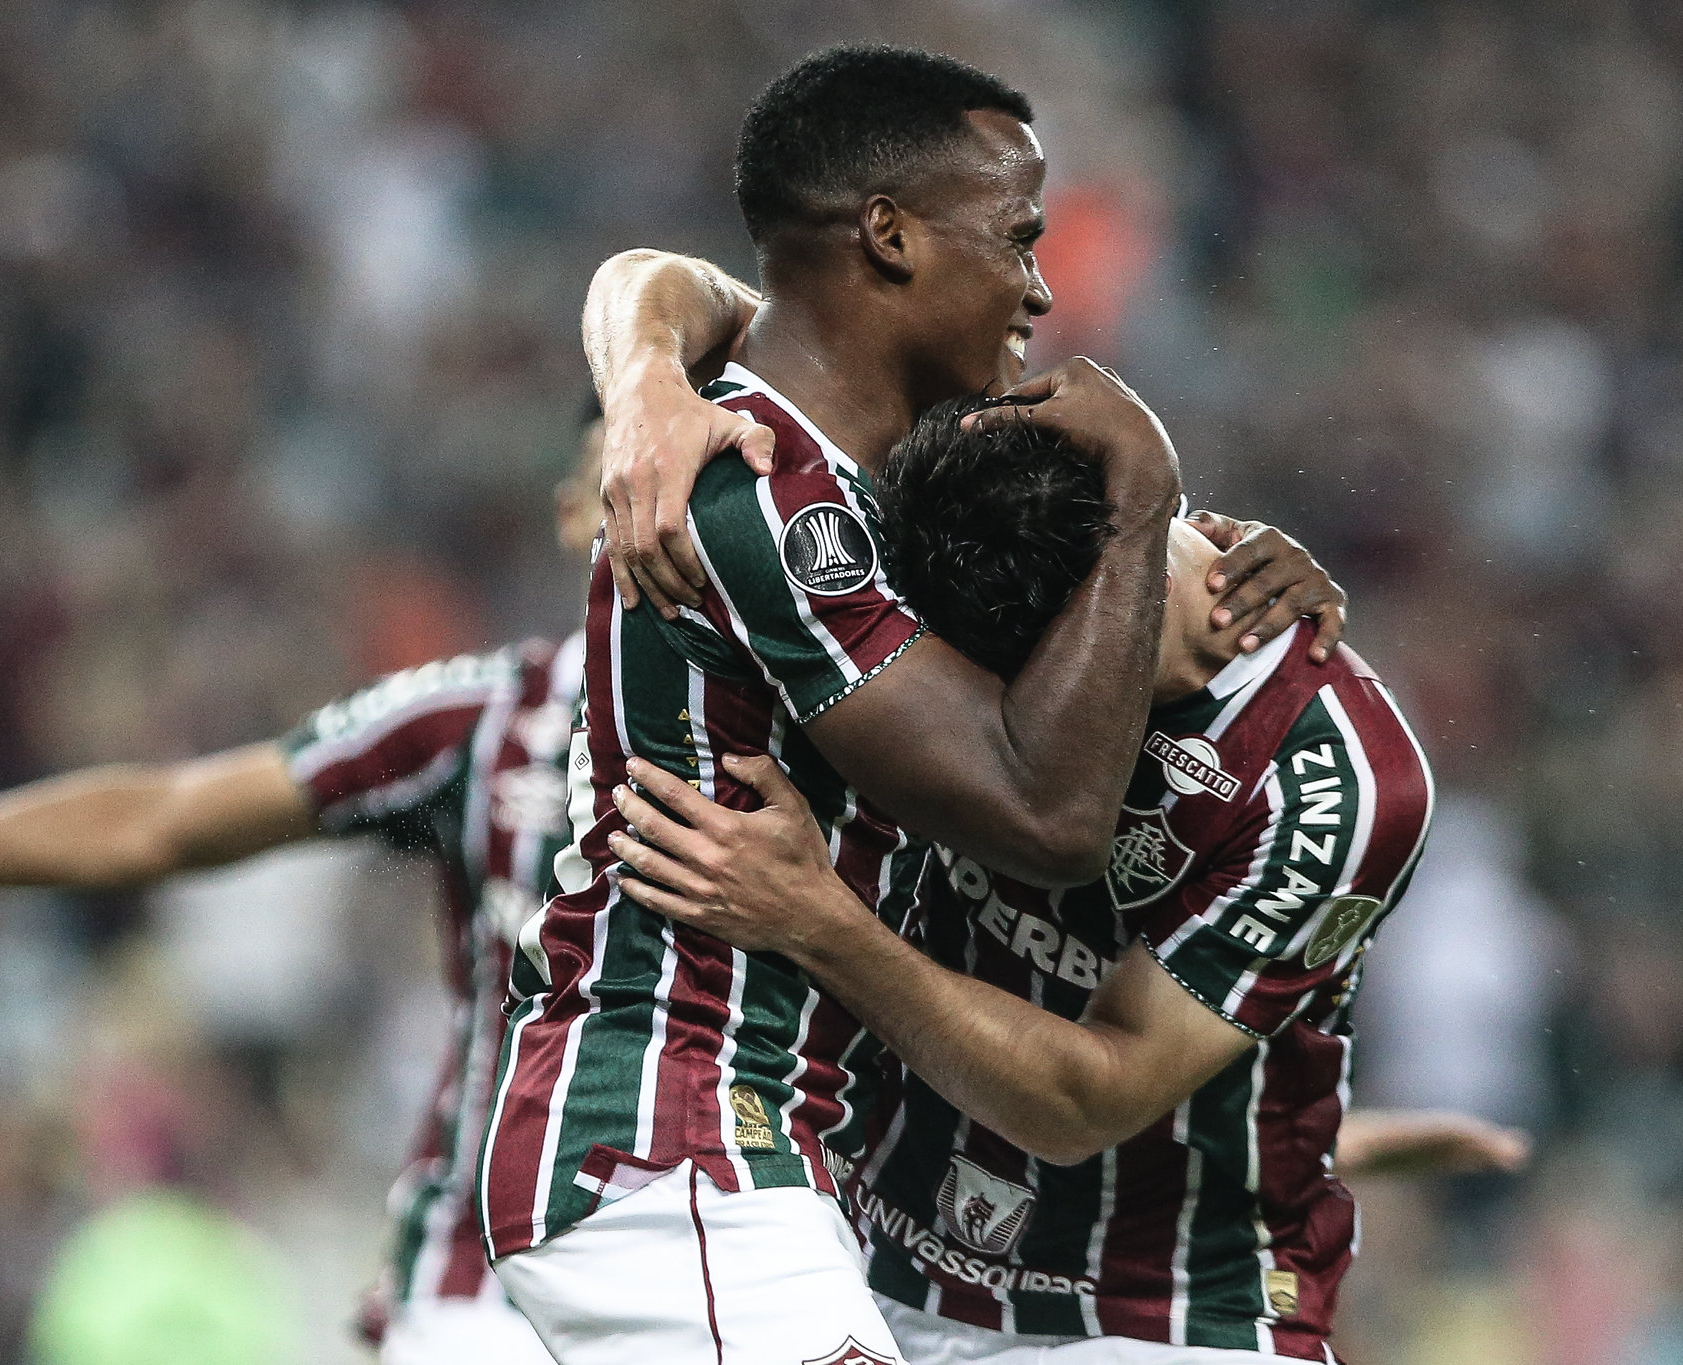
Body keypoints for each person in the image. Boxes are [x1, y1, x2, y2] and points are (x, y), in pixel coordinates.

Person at [478, 45, 1342, 1365]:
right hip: (668, 1136)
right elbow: (1047, 819)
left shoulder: (813, 444)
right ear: (889, 237)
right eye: (1017, 237)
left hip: (758, 1152)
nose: (1040, 287)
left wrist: (641, 364)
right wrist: (1141, 501)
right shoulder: (768, 491)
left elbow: (675, 281)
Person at [603, 395, 1436, 1361]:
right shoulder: (964, 559)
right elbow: (729, 312)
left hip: (1171, 1311)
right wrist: (646, 380)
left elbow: (1088, 1097)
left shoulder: (1338, 781)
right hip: (872, 1253)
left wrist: (818, 921)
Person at [0, 406, 616, 1365]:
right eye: (623, 469)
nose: (661, 502)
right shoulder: (486, 717)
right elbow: (163, 817)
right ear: (572, 508)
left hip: (740, 1255)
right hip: (481, 1296)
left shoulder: (823, 725)